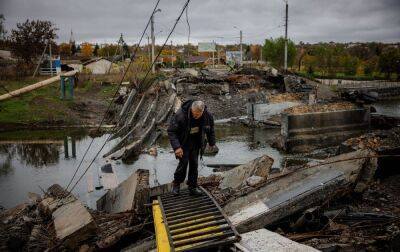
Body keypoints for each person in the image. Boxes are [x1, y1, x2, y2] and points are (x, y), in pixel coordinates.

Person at [167, 100, 216, 196]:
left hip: (197, 142)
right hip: (184, 142)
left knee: (194, 164)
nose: (195, 116)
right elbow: (171, 131)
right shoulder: (180, 115)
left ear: (202, 111)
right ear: (191, 109)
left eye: (197, 115)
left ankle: (192, 187)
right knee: (183, 164)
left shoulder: (207, 115)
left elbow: (211, 129)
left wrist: (212, 143)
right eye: (194, 114)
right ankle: (176, 184)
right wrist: (177, 147)